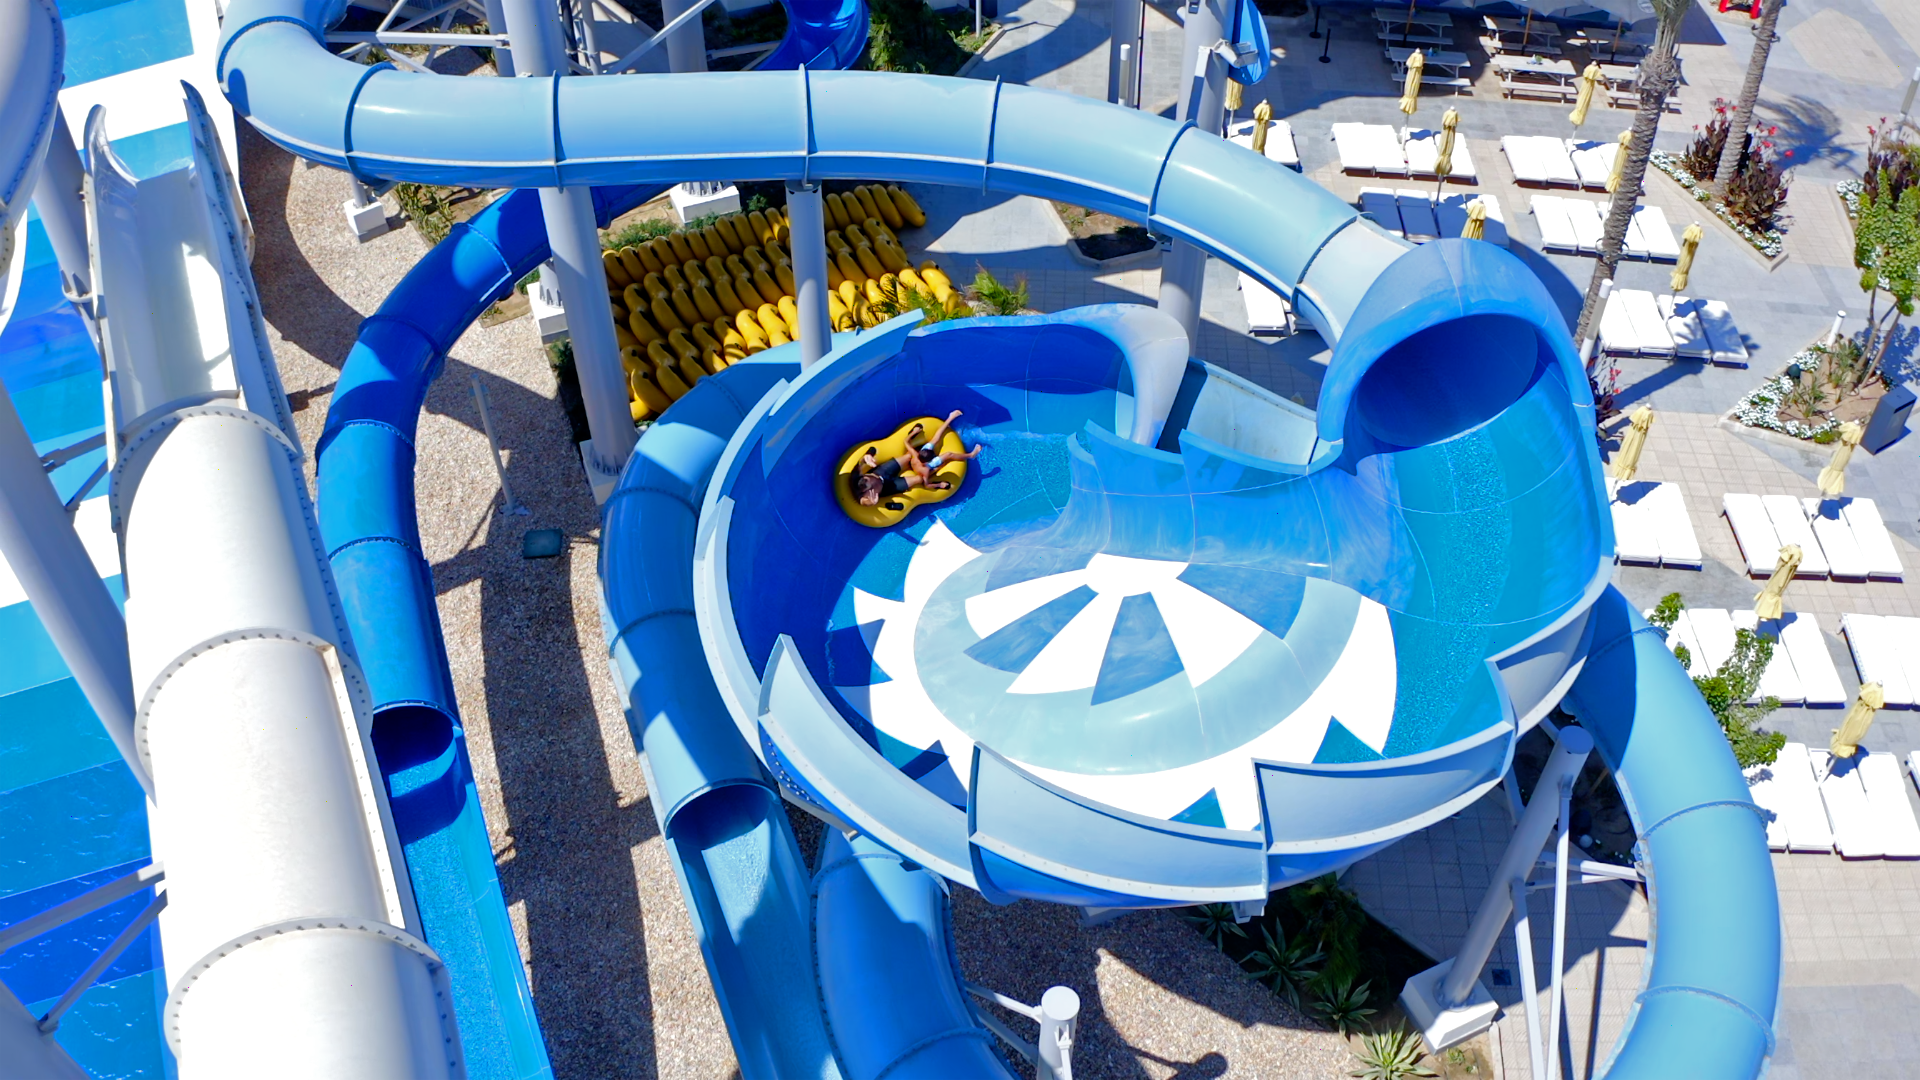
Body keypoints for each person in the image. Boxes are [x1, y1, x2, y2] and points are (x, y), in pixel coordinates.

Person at [851, 444, 949, 508]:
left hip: (881, 472)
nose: (871, 480)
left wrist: (866, 457)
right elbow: (863, 502)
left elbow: (860, 463)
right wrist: (871, 503)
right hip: (888, 487)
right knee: (919, 479)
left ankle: (922, 459)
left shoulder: (855, 476)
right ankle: (933, 469)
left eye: (868, 478)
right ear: (864, 490)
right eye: (870, 483)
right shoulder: (863, 495)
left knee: (909, 456)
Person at [906, 409, 983, 471]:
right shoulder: (927, 466)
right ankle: (971, 455)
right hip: (929, 466)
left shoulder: (914, 454)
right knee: (948, 455)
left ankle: (950, 417)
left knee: (935, 439)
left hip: (923, 458)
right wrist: (939, 468)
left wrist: (914, 432)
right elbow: (926, 478)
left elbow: (906, 442)